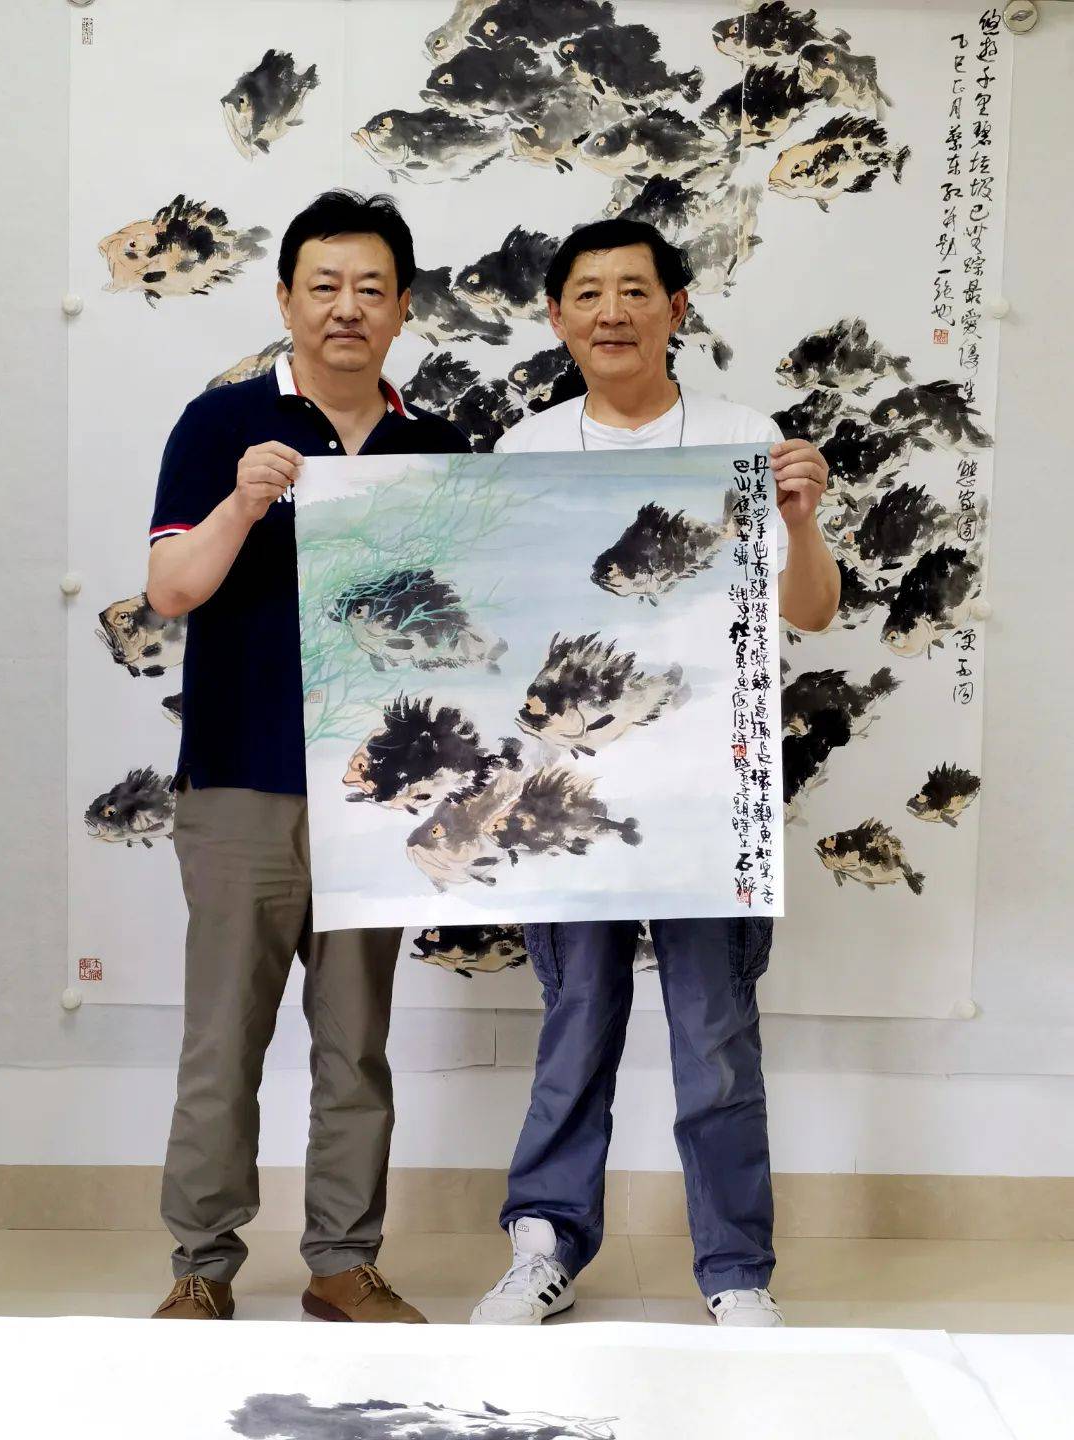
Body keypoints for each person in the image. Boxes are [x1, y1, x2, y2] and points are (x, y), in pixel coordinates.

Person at [470, 218, 839, 1329]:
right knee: (576, 1019)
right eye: (588, 293)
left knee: (714, 1034)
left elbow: (811, 611)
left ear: (677, 308)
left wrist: (803, 520)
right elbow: (501, 622)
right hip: (568, 788)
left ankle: (736, 1272)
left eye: (636, 290)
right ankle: (543, 1245)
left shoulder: (742, 436)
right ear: (557, 318)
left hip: (705, 791)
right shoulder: (526, 450)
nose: (612, 312)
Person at [146, 190, 469, 1323]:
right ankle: (200, 1267)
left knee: (357, 1044)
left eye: (371, 288)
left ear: (404, 309)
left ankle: (343, 1261)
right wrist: (242, 503)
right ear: (285, 298)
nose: (347, 308)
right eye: (324, 286)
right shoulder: (219, 423)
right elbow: (171, 588)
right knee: (222, 1040)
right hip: (241, 778)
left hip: (378, 796)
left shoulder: (437, 449)